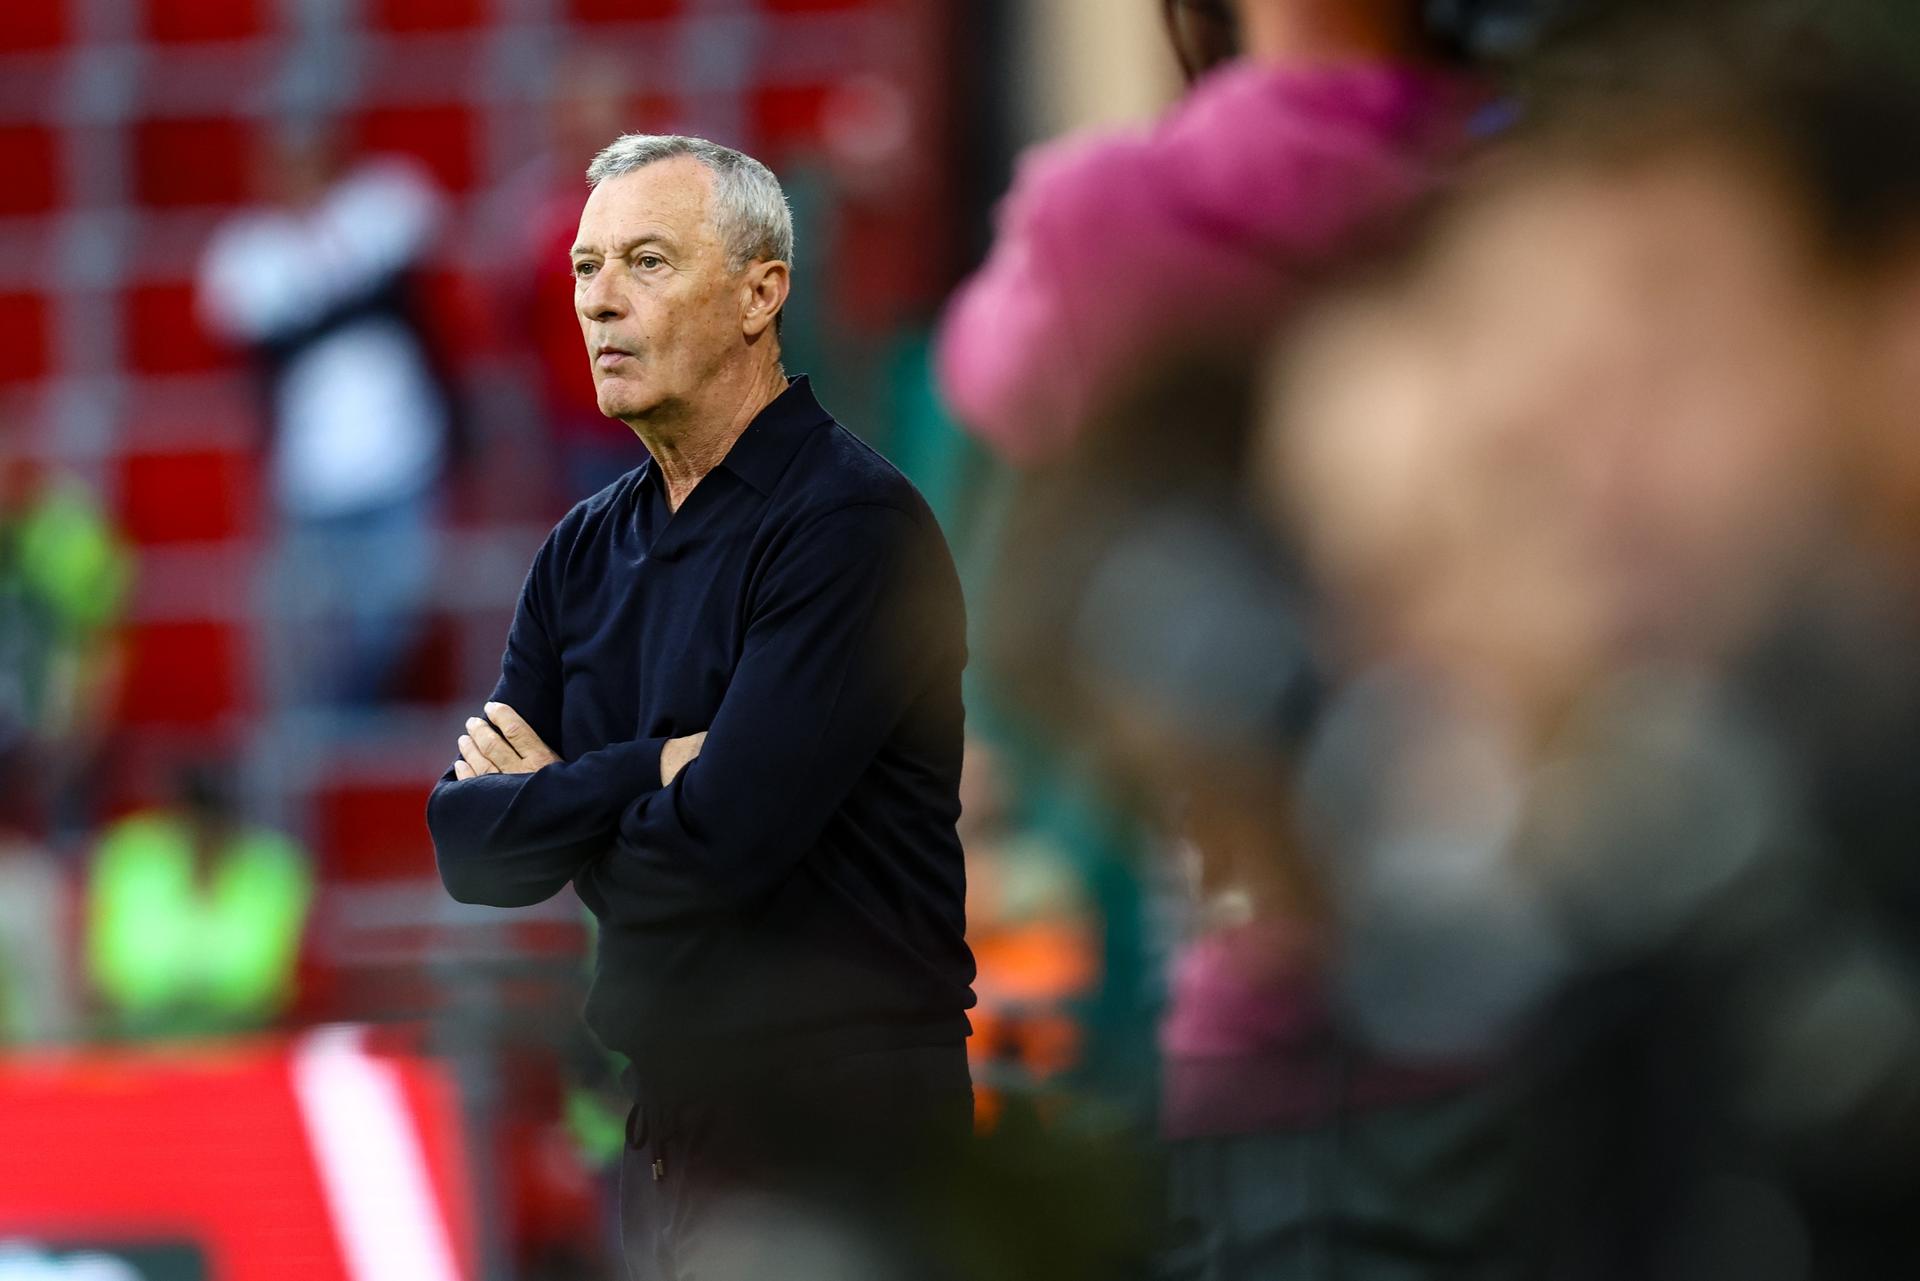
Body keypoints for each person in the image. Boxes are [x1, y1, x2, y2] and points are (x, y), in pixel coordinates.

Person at [424, 135, 977, 1278]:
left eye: (648, 263)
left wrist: (556, 799)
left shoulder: (849, 527)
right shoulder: (584, 547)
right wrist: (649, 768)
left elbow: (724, 845)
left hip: (848, 1129)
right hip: (667, 1129)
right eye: (584, 270)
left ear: (761, 294)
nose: (599, 304)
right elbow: (468, 846)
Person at [197, 124, 454, 710]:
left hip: (402, 449)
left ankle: (357, 728)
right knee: (325, 627)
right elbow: (253, 331)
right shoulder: (245, 252)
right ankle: (344, 745)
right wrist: (349, 304)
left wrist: (320, 309)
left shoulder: (378, 206)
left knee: (396, 614)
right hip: (311, 469)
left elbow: (412, 249)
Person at [86, 765, 313, 1040]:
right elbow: (118, 974)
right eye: (196, 822)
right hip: (143, 1035)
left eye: (213, 823)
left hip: (238, 1035)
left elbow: (262, 983)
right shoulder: (132, 858)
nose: (205, 834)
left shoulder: (271, 869)